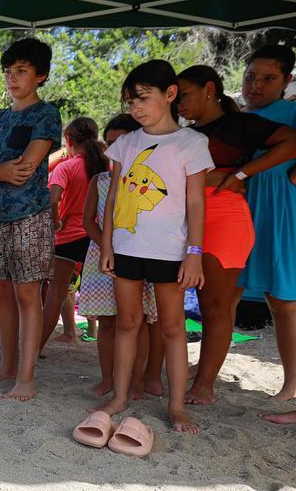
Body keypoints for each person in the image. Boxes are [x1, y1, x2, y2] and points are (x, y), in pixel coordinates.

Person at [95, 59, 214, 434]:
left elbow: (196, 203)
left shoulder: (191, 143)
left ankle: (177, 407)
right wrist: (108, 245)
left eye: (144, 98)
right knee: (127, 322)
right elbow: (113, 198)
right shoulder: (126, 144)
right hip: (127, 247)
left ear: (170, 94)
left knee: (173, 328)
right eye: (131, 101)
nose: (137, 108)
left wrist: (194, 254)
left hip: (171, 252)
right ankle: (119, 396)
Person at [176, 64, 296, 406]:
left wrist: (243, 173)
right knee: (191, 305)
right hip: (183, 221)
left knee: (214, 305)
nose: (178, 102)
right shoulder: (182, 132)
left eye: (184, 94)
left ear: (209, 89)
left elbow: (291, 143)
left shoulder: (238, 123)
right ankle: (179, 376)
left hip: (224, 219)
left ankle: (204, 386)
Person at [0, 38, 62, 401]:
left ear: (40, 75)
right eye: (9, 71)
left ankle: (26, 376)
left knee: (28, 295)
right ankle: (8, 366)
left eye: (22, 71)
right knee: (1, 293)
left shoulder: (46, 114)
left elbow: (25, 169)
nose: (13, 78)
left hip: (30, 214)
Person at [228, 45, 296, 424]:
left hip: (282, 207)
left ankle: (290, 383)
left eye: (268, 78)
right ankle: (206, 371)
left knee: (283, 299)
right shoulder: (238, 115)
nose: (255, 85)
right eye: (251, 76)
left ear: (286, 80)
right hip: (245, 204)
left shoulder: (293, 112)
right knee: (227, 292)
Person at [78, 151, 159, 398]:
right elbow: (88, 219)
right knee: (108, 321)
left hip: (139, 254)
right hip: (102, 255)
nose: (118, 146)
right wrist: (106, 245)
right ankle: (106, 379)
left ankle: (136, 381)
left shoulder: (149, 180)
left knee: (139, 320)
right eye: (112, 141)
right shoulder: (100, 180)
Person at [38, 117, 107, 348]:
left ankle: (36, 348)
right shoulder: (108, 164)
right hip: (99, 236)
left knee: (55, 296)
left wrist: (56, 221)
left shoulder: (66, 167)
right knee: (109, 299)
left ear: (67, 140)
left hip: (68, 237)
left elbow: (52, 199)